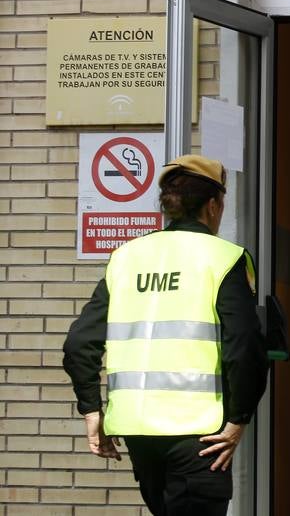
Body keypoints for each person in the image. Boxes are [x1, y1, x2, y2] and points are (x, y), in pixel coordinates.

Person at [63, 154, 268, 516]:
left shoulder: (126, 256)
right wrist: (239, 419)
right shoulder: (224, 257)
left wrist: (91, 410)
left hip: (138, 432)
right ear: (213, 204)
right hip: (201, 434)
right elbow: (245, 346)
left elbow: (80, 343)